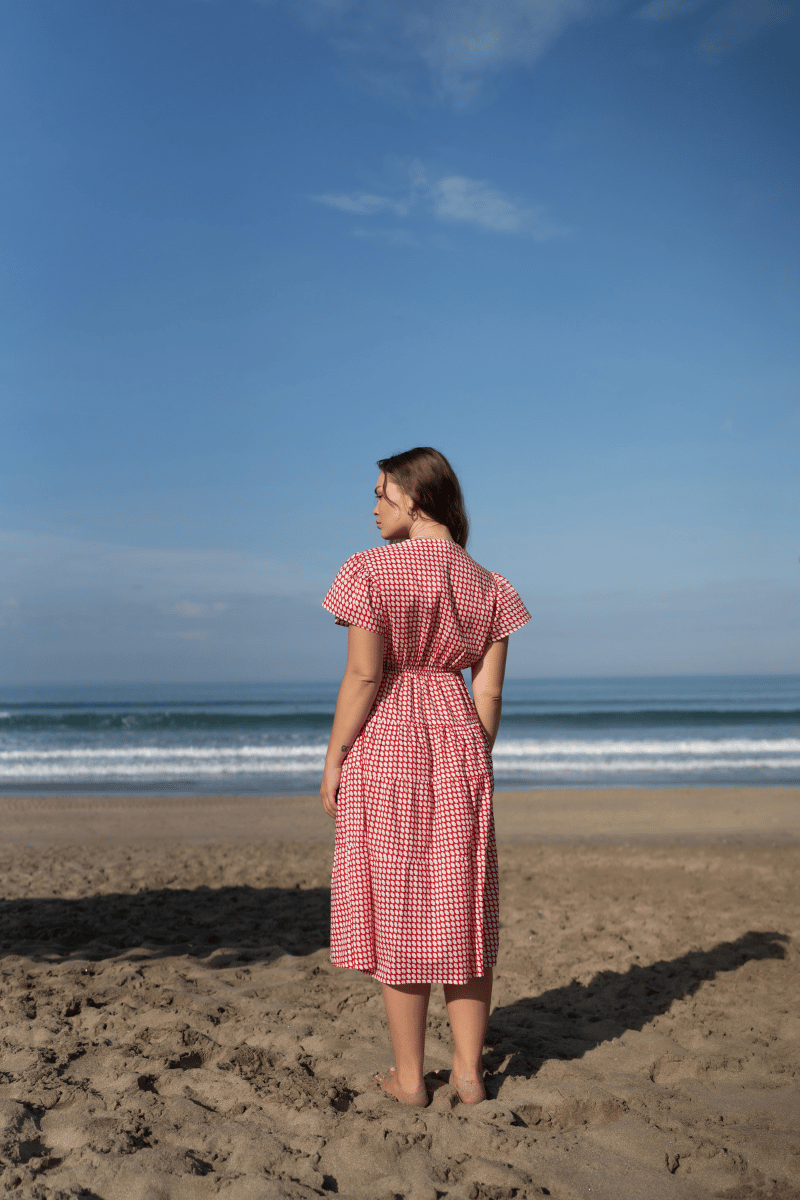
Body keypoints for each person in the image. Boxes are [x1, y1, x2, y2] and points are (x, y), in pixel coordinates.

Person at [320, 446, 530, 1107]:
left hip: (389, 738)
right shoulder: (492, 587)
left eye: (381, 493)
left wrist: (334, 756)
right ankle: (468, 1075)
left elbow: (362, 676)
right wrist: (471, 752)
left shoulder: (369, 572)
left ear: (413, 497)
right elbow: (489, 696)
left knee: (399, 906)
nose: (373, 507)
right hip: (460, 739)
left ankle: (410, 1080)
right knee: (463, 907)